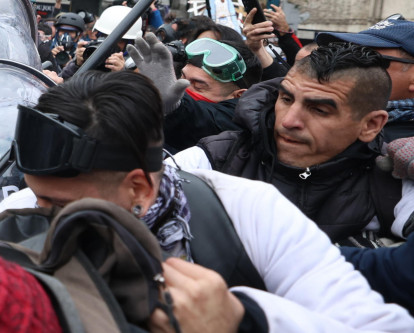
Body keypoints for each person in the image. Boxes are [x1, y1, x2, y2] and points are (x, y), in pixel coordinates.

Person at [0, 70, 414, 332]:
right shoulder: (12, 217)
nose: (41, 215)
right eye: (39, 195)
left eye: (63, 205)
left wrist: (244, 319)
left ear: (139, 189)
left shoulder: (247, 212)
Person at [170, 42, 406, 245]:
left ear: (371, 125)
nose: (289, 121)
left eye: (320, 110)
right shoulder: (214, 157)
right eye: (286, 99)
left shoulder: (395, 181)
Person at [134, 35, 263, 153]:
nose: (182, 87)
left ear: (239, 96)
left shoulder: (241, 126)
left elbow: (203, 118)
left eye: (198, 86)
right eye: (182, 77)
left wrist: (176, 107)